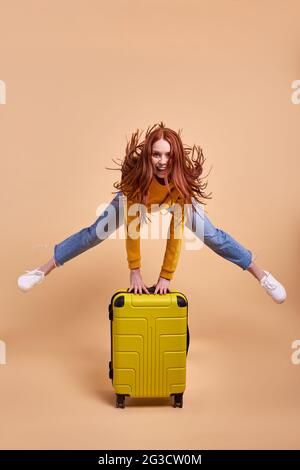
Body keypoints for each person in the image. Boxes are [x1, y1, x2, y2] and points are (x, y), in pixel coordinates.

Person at [17, 122, 286, 303]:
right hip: (140, 199)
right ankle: (41, 271)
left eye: (168, 156)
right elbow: (133, 228)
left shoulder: (180, 183)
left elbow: (175, 233)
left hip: (172, 197)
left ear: (176, 157)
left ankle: (261, 274)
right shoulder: (136, 182)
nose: (162, 161)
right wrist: (135, 271)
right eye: (157, 155)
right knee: (94, 234)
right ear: (148, 155)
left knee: (212, 235)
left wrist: (166, 276)